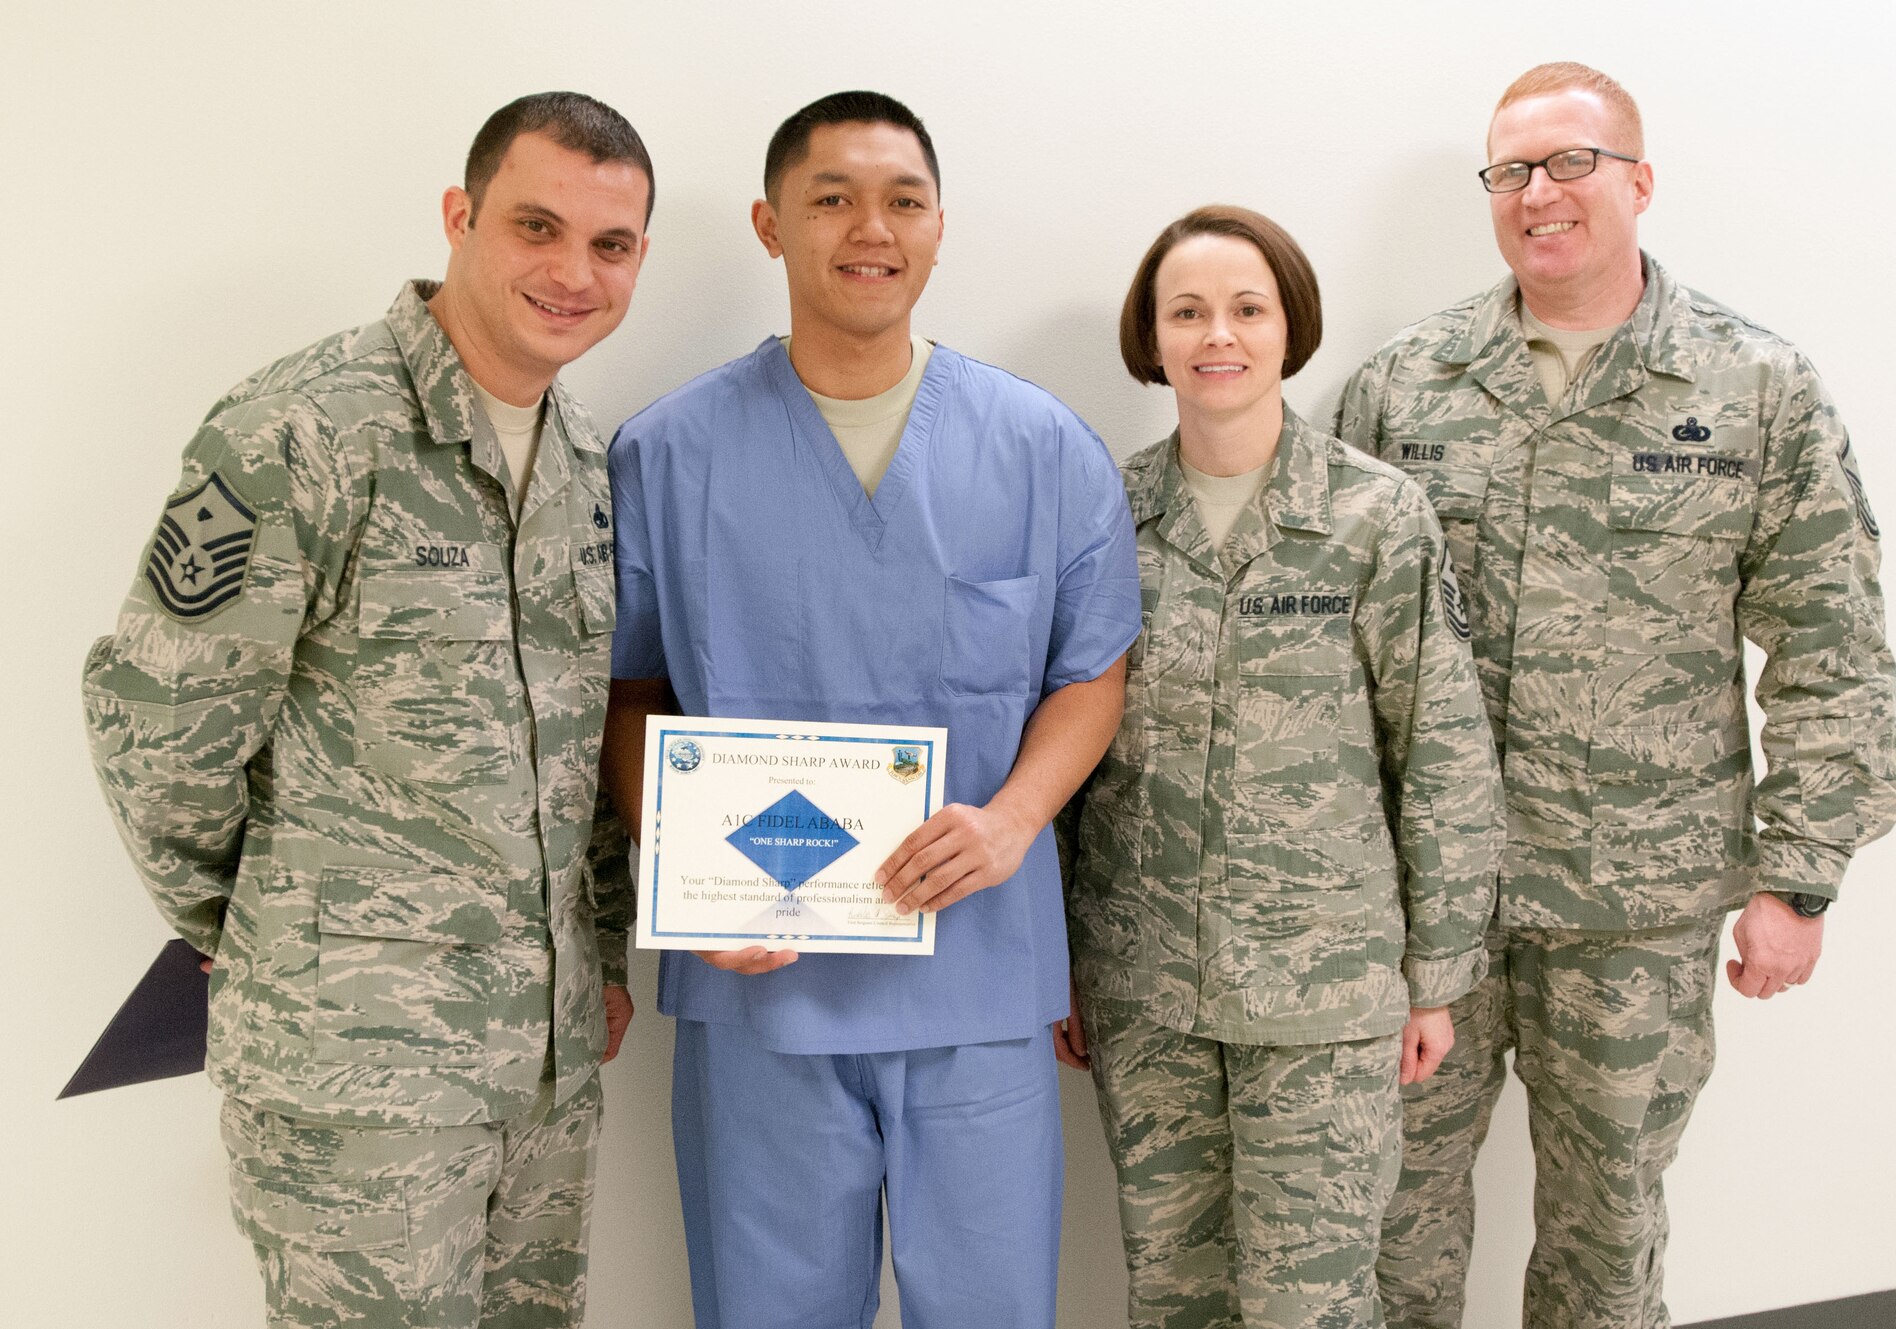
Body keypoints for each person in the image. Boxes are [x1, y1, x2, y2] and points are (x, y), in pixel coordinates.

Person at [1332, 62, 1896, 1329]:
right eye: (1509, 170)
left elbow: (1829, 642)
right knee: (1389, 1229)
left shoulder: (1754, 389)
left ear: (1638, 182)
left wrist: (1796, 878)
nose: (1538, 193)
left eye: (1570, 162)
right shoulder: (1400, 391)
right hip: (1434, 906)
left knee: (1606, 1242)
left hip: (1636, 909)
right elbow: (1336, 658)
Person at [82, 92, 652, 1328]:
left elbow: (571, 740)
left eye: (610, 245)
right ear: (460, 216)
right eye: (535, 225)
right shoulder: (303, 428)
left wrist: (595, 956)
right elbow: (155, 719)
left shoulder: (584, 465)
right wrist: (260, 928)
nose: (571, 272)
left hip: (544, 1069)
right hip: (358, 1075)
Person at [599, 91, 1140, 1329]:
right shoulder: (668, 456)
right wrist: (682, 861)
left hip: (977, 978)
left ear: (939, 226)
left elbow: (1090, 670)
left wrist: (1012, 819)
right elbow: (629, 692)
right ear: (768, 225)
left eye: (900, 200)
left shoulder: (1041, 448)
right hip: (760, 989)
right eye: (830, 197)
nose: (868, 227)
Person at [1059, 206, 1499, 1329]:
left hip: (1326, 1000)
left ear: (1288, 326)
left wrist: (1438, 975)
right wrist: (1056, 963)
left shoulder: (1373, 516)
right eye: (1187, 311)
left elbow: (1441, 750)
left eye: (1247, 308)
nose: (1219, 335)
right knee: (1173, 1293)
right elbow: (1059, 745)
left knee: (1311, 1304)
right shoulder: (1101, 515)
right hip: (1147, 988)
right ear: (1149, 339)